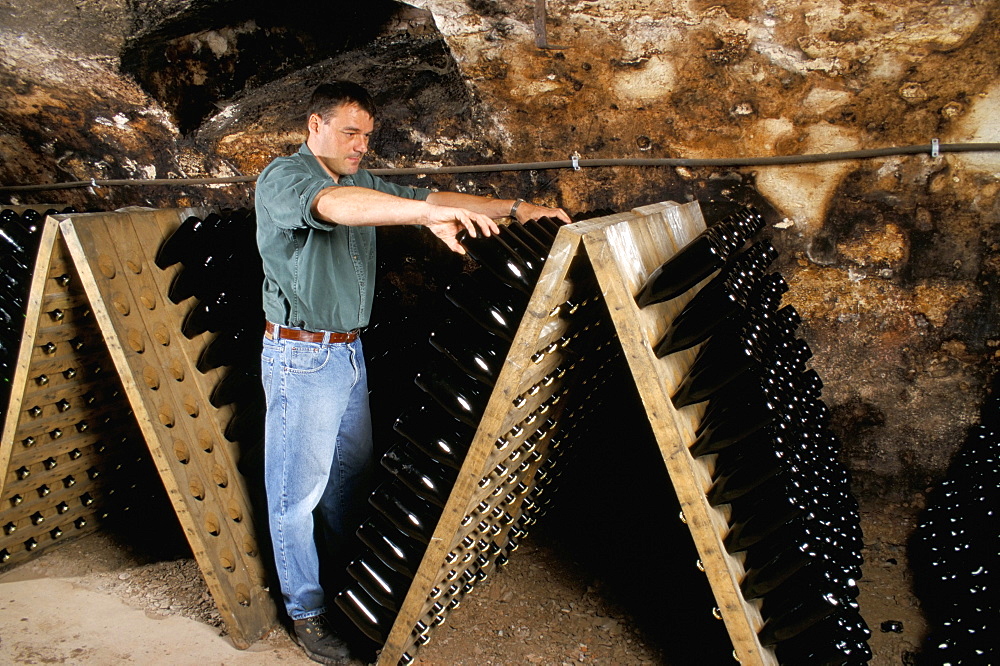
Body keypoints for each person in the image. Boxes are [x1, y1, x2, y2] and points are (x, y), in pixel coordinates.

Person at [254, 80, 571, 665]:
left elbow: (430, 192)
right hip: (301, 357)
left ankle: (352, 592)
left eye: (367, 136)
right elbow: (333, 209)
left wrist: (517, 209)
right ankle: (307, 611)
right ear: (313, 125)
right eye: (350, 132)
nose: (360, 146)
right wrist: (425, 216)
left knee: (349, 483)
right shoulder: (286, 178)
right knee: (294, 497)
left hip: (347, 354)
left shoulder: (360, 182)